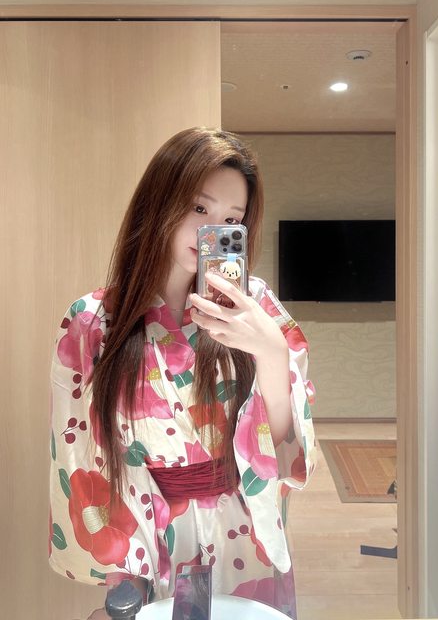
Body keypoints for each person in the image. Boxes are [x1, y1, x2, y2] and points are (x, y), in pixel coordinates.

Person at [48, 127, 317, 619]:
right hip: (151, 542)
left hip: (244, 537)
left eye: (231, 219)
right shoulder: (92, 322)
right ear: (159, 203)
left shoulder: (256, 308)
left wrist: (272, 355)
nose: (212, 230)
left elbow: (284, 450)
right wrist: (121, 575)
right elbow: (81, 455)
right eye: (198, 208)